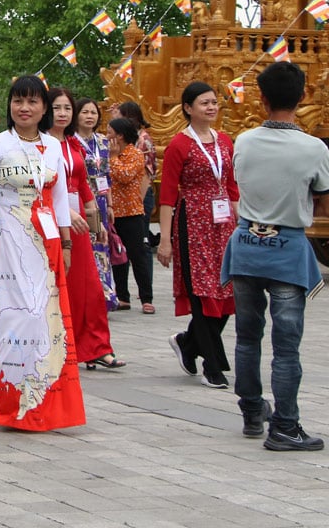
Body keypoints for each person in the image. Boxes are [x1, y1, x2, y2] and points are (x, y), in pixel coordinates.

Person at [0, 75, 84, 431]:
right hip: (7, 241)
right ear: (9, 106)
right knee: (17, 316)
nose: (24, 108)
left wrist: (65, 244)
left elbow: (61, 201)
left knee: (45, 318)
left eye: (33, 102)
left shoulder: (53, 147)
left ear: (44, 108)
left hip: (45, 244)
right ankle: (13, 397)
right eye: (18, 100)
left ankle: (44, 395)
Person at [224, 62, 329, 450]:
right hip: (286, 250)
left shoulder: (244, 141)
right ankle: (285, 424)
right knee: (287, 346)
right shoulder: (314, 148)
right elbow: (322, 200)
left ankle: (252, 410)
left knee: (247, 337)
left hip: (247, 247)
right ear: (302, 96)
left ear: (262, 98)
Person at [158, 82, 239, 389]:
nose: (211, 107)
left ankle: (188, 343)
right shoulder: (179, 145)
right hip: (192, 223)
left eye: (214, 102)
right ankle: (212, 365)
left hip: (222, 227)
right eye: (204, 103)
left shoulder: (225, 142)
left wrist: (240, 223)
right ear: (188, 108)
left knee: (226, 290)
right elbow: (167, 195)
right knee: (201, 293)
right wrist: (165, 239)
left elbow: (231, 186)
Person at [47, 88, 123, 371]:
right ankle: (59, 345)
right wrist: (65, 212)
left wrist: (96, 218)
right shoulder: (39, 144)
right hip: (48, 222)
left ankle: (97, 347)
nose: (63, 114)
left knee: (90, 287)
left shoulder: (72, 145)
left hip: (78, 224)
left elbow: (81, 182)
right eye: (57, 108)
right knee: (56, 288)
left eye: (68, 108)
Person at [74, 98, 119, 312]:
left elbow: (107, 174)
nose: (90, 116)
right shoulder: (71, 141)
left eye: (93, 112)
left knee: (102, 247)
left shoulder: (102, 141)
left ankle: (105, 295)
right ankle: (85, 295)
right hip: (80, 200)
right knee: (85, 247)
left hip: (99, 200)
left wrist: (109, 204)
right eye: (85, 112)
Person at [108, 117, 153, 313]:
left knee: (138, 256)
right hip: (113, 213)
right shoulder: (108, 153)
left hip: (132, 212)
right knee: (118, 256)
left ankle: (146, 298)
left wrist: (113, 158)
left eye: (110, 132)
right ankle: (122, 296)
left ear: (120, 135)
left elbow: (125, 176)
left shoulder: (135, 154)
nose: (107, 135)